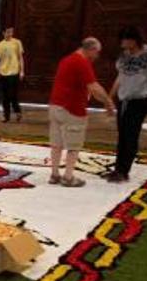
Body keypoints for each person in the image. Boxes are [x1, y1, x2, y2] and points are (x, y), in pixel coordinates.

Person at [48, 38, 116, 188]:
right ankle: (68, 177)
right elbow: (94, 87)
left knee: (56, 143)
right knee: (74, 144)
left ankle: (54, 174)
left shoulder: (66, 60)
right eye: (97, 52)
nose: (97, 56)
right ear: (90, 49)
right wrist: (108, 102)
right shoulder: (81, 62)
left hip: (55, 106)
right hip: (71, 108)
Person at [103, 27, 147, 183]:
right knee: (122, 135)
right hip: (124, 99)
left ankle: (124, 171)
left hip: (140, 99)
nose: (123, 43)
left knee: (131, 135)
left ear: (134, 40)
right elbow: (120, 77)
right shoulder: (124, 56)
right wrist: (109, 98)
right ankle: (118, 169)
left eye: (125, 40)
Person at [0, 27, 25, 123]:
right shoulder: (0, 45)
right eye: (8, 32)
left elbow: (20, 57)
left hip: (14, 71)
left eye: (11, 32)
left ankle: (17, 111)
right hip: (3, 72)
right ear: (3, 32)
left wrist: (22, 71)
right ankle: (6, 116)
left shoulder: (17, 42)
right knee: (5, 96)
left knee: (12, 94)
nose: (10, 34)